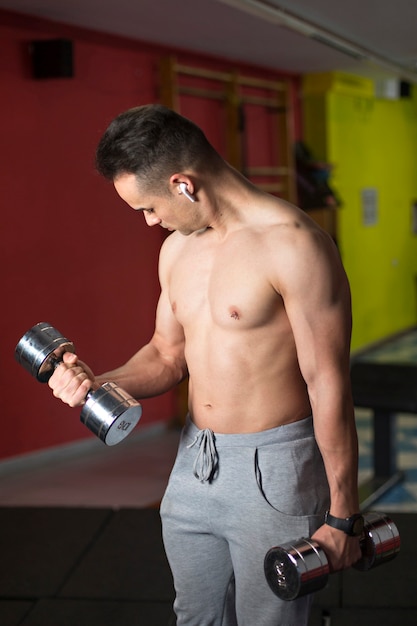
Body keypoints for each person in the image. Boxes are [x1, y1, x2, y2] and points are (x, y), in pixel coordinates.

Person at [49, 104, 362, 625]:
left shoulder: (296, 246)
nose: (150, 221)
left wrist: (343, 514)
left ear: (183, 185)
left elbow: (328, 382)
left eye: (148, 207)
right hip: (195, 462)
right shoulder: (177, 251)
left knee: (270, 619)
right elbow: (167, 355)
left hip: (275, 468)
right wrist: (99, 382)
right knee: (194, 616)